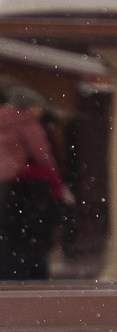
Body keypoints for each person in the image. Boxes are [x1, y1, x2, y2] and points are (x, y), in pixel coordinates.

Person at [0, 85, 66, 279]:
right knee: (30, 237)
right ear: (29, 106)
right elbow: (42, 153)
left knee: (7, 232)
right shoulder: (27, 122)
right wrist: (53, 170)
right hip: (23, 182)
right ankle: (28, 273)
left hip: (4, 184)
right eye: (39, 106)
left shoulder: (2, 117)